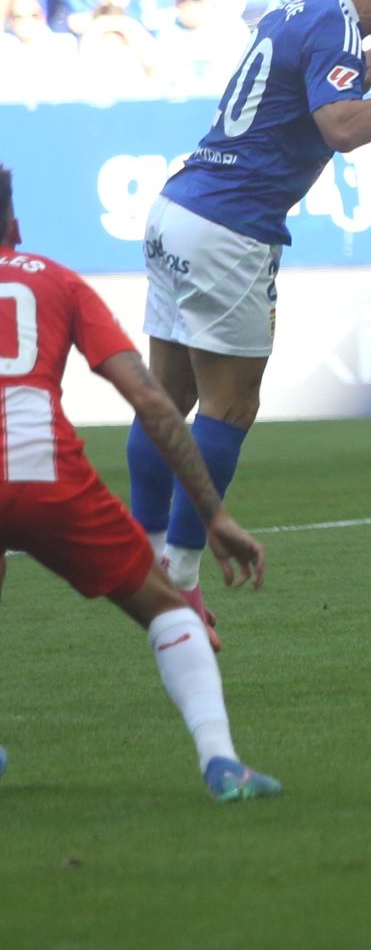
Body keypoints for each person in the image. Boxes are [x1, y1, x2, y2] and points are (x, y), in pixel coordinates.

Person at [127, 0, 371, 647]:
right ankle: (184, 578)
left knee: (170, 396)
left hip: (178, 209)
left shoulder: (307, 8)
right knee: (230, 405)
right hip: (230, 227)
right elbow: (342, 128)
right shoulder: (332, 23)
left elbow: (299, 104)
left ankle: (141, 546)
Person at [0, 166, 279, 801]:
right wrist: (213, 514)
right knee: (165, 609)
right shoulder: (59, 282)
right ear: (13, 224)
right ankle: (223, 765)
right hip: (48, 478)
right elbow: (154, 402)